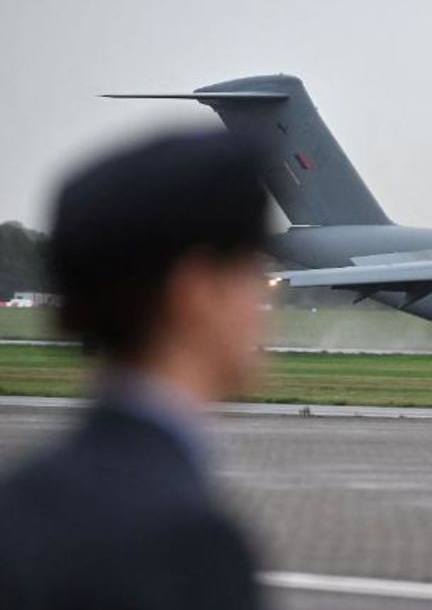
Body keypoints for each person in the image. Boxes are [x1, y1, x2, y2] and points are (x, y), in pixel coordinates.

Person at [0, 132, 271, 610]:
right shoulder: (188, 539)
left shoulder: (20, 500)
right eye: (252, 273)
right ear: (196, 294)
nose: (266, 301)